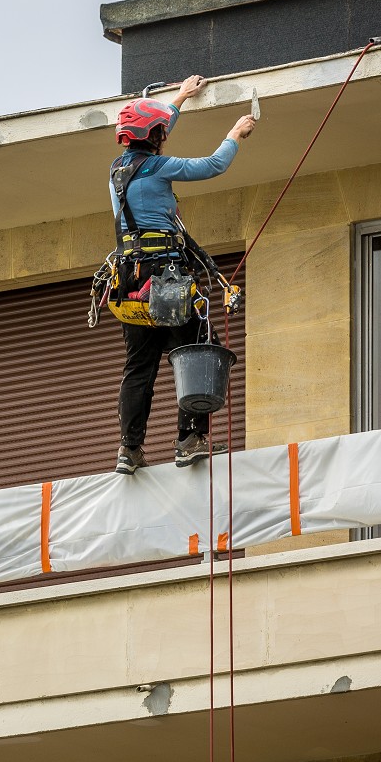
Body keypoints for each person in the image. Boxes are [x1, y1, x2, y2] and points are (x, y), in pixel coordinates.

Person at [111, 76, 255, 475]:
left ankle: (129, 449)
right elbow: (213, 165)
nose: (165, 136)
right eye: (162, 131)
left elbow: (153, 134)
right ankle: (190, 440)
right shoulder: (158, 167)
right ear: (155, 136)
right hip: (167, 279)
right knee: (198, 350)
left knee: (139, 367)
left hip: (131, 282)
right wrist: (234, 134)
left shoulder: (119, 170)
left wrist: (179, 99)